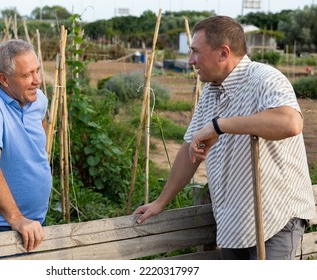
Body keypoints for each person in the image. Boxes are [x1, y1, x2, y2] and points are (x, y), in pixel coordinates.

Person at [133, 16, 316, 260]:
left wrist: (219, 126)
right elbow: (190, 151)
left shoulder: (265, 79)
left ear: (223, 53)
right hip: (234, 222)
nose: (190, 61)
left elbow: (290, 123)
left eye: (196, 52)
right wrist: (160, 201)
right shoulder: (211, 92)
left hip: (275, 218)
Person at [0, 39, 52, 252]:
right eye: (27, 75)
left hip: (34, 222)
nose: (37, 80)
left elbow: (40, 134)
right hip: (1, 225)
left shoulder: (38, 99)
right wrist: (16, 218)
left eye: (37, 71)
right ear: (4, 79)